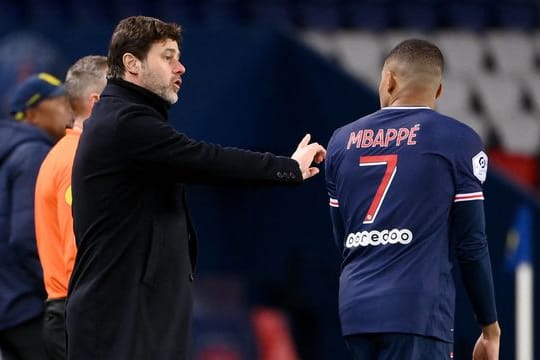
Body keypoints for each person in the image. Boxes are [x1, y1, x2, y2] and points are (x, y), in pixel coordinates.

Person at [67, 16, 325, 360]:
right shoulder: (126, 122)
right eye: (168, 56)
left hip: (128, 308)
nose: (181, 67)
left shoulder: (126, 117)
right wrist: (288, 167)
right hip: (122, 313)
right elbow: (207, 159)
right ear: (132, 63)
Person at [325, 39, 500, 359]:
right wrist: (489, 327)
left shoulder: (341, 142)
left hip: (356, 311)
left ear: (389, 79)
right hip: (418, 310)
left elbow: (344, 239)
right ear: (438, 92)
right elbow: (471, 243)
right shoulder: (459, 140)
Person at [34, 56, 108, 360]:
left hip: (75, 311)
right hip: (80, 315)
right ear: (96, 102)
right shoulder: (76, 160)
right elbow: (75, 249)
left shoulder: (68, 153)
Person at [0, 73, 72, 360]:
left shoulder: (12, 150)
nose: (69, 108)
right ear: (31, 114)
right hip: (27, 306)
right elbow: (28, 236)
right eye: (59, 101)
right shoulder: (34, 153)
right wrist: (60, 293)